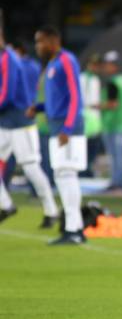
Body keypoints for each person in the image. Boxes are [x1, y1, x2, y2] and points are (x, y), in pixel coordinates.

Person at [29, 25, 86, 244]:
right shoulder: (52, 64)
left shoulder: (66, 60)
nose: (37, 47)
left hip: (67, 129)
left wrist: (68, 128)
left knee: (67, 175)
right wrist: (40, 107)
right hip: (57, 127)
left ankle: (74, 230)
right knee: (62, 176)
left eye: (40, 41)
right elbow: (58, 99)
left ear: (53, 41)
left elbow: (75, 96)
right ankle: (74, 228)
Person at [0, 30, 59, 227]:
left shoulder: (9, 59)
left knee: (31, 168)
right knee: (31, 168)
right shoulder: (21, 62)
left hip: (20, 124)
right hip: (7, 122)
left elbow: (6, 94)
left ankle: (51, 211)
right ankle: (6, 204)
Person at [100, 50, 122, 193]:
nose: (105, 67)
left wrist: (96, 106)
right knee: (119, 155)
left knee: (116, 156)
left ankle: (117, 183)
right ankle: (118, 182)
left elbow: (113, 104)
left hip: (115, 124)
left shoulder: (113, 82)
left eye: (108, 64)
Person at [79, 53, 103, 177]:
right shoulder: (82, 78)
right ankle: (83, 169)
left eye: (96, 65)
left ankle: (88, 168)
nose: (94, 67)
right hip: (85, 115)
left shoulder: (96, 79)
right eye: (92, 65)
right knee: (84, 144)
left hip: (94, 116)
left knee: (94, 144)